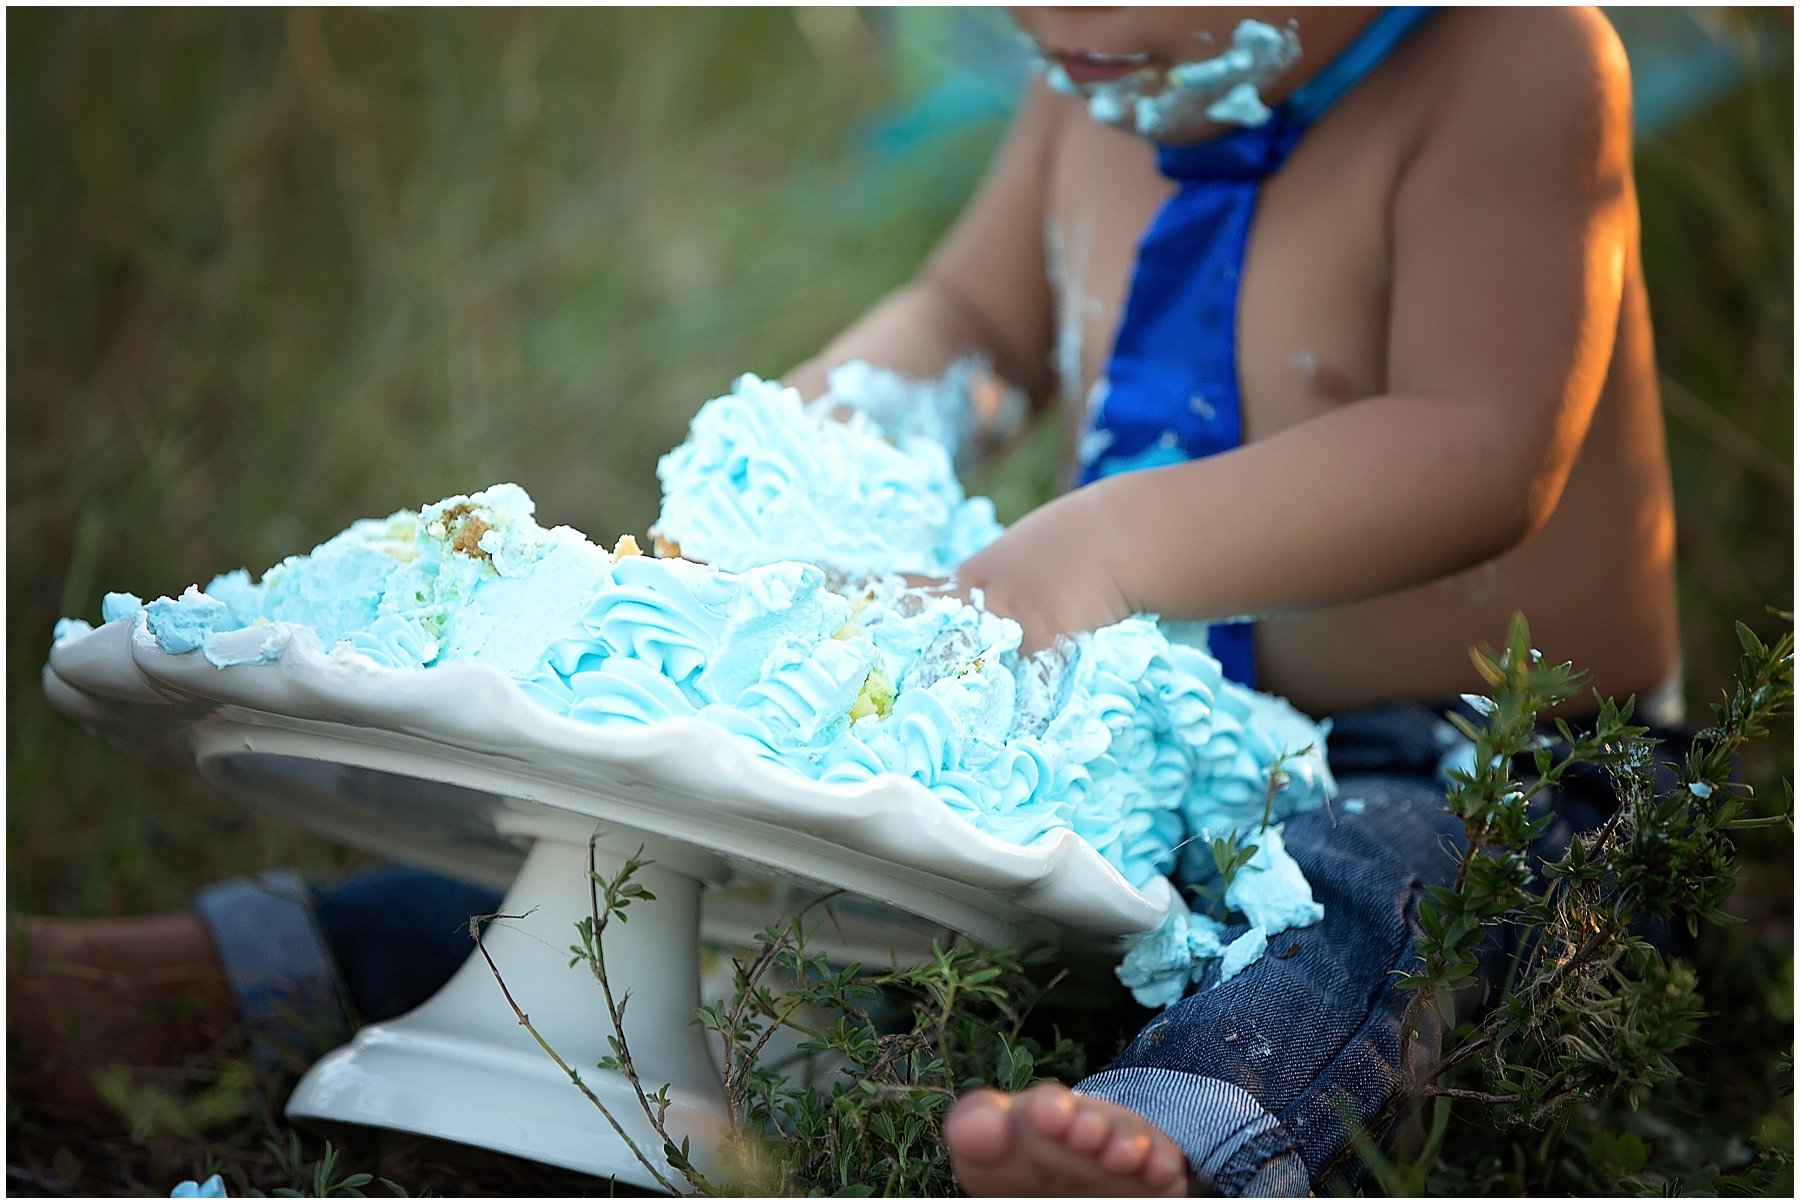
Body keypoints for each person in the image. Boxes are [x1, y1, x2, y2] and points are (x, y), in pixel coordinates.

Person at [14, 6, 1681, 1196]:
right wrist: (798, 451)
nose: (1063, 23)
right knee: (756, 841)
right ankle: (236, 976)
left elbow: (1481, 450)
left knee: (1361, 898)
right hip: (1170, 746)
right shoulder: (1096, 74)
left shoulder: (1516, 60)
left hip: (1486, 754)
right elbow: (974, 314)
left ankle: (1185, 1133)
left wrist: (1086, 551)